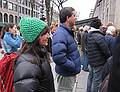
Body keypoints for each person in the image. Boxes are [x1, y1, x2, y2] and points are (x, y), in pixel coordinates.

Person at [14, 17, 55, 92]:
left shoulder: (39, 54)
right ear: (36, 37)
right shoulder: (27, 63)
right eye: (45, 33)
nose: (48, 36)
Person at [52, 7, 81, 92]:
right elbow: (58, 57)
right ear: (68, 18)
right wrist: (72, 66)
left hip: (68, 73)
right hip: (66, 74)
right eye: (74, 15)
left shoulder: (66, 32)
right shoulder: (61, 33)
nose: (75, 18)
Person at [86, 18, 110, 92]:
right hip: (98, 63)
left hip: (91, 61)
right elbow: (106, 51)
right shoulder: (99, 36)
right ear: (99, 26)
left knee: (90, 78)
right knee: (96, 82)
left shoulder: (89, 35)